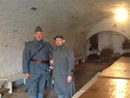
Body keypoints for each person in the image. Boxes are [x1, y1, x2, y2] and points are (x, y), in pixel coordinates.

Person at [22, 26, 53, 98]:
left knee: (41, 88)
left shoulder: (48, 45)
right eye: (37, 34)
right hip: (33, 70)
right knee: (33, 88)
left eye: (40, 34)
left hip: (44, 69)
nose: (39, 36)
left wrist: (52, 63)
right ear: (34, 35)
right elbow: (25, 59)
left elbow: (54, 54)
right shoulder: (29, 45)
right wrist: (26, 72)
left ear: (43, 35)